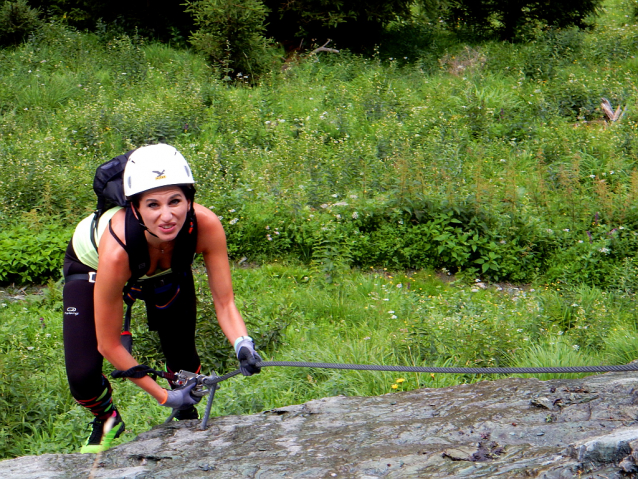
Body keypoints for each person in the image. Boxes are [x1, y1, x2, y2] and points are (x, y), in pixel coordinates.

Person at [62, 143, 261, 453]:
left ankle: (187, 414)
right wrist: (164, 396)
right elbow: (109, 344)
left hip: (166, 270)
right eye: (153, 204)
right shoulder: (116, 250)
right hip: (91, 267)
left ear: (189, 200)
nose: (167, 216)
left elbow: (225, 303)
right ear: (136, 208)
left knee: (184, 359)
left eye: (175, 201)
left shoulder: (205, 225)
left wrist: (242, 343)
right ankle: (107, 420)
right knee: (82, 376)